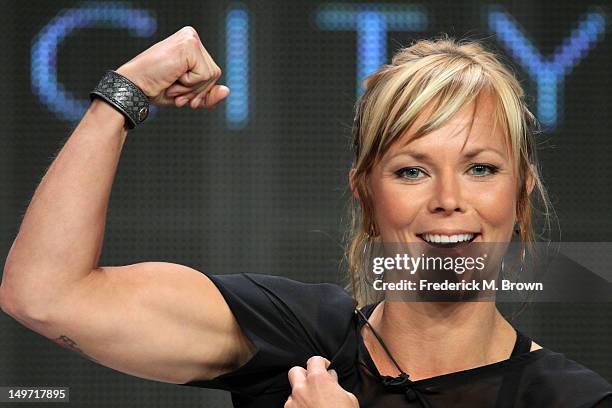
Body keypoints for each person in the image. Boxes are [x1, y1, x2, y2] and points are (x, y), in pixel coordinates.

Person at [0, 26, 610, 408]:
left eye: (480, 168)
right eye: (411, 170)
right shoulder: (295, 339)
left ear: (521, 195)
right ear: (366, 195)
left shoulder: (571, 399)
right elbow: (45, 295)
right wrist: (123, 95)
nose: (449, 198)